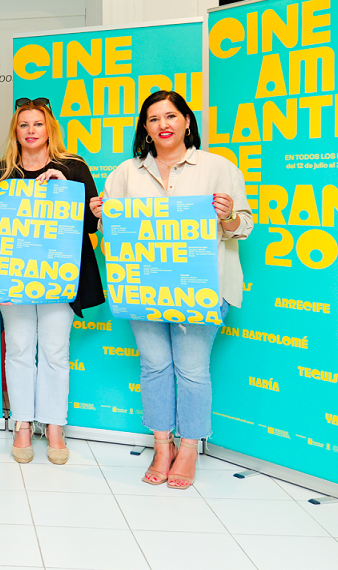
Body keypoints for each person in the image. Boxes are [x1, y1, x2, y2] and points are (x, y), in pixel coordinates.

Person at [92, 90, 252, 489]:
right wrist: (100, 215)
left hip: (202, 288)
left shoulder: (219, 167)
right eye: (153, 118)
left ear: (187, 121)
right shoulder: (126, 173)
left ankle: (190, 447)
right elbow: (112, 231)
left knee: (193, 370)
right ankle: (162, 445)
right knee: (154, 366)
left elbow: (242, 227)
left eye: (170, 116)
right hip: (143, 288)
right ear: (144, 128)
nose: (162, 125)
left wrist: (227, 214)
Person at [0, 98, 103, 466]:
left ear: (50, 129)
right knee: (17, 348)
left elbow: (91, 223)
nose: (31, 131)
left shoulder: (73, 167)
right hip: (12, 280)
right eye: (24, 124)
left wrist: (65, 189)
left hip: (59, 279)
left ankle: (56, 426)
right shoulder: (0, 172)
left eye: (38, 124)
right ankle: (22, 424)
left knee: (55, 350)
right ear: (15, 130)